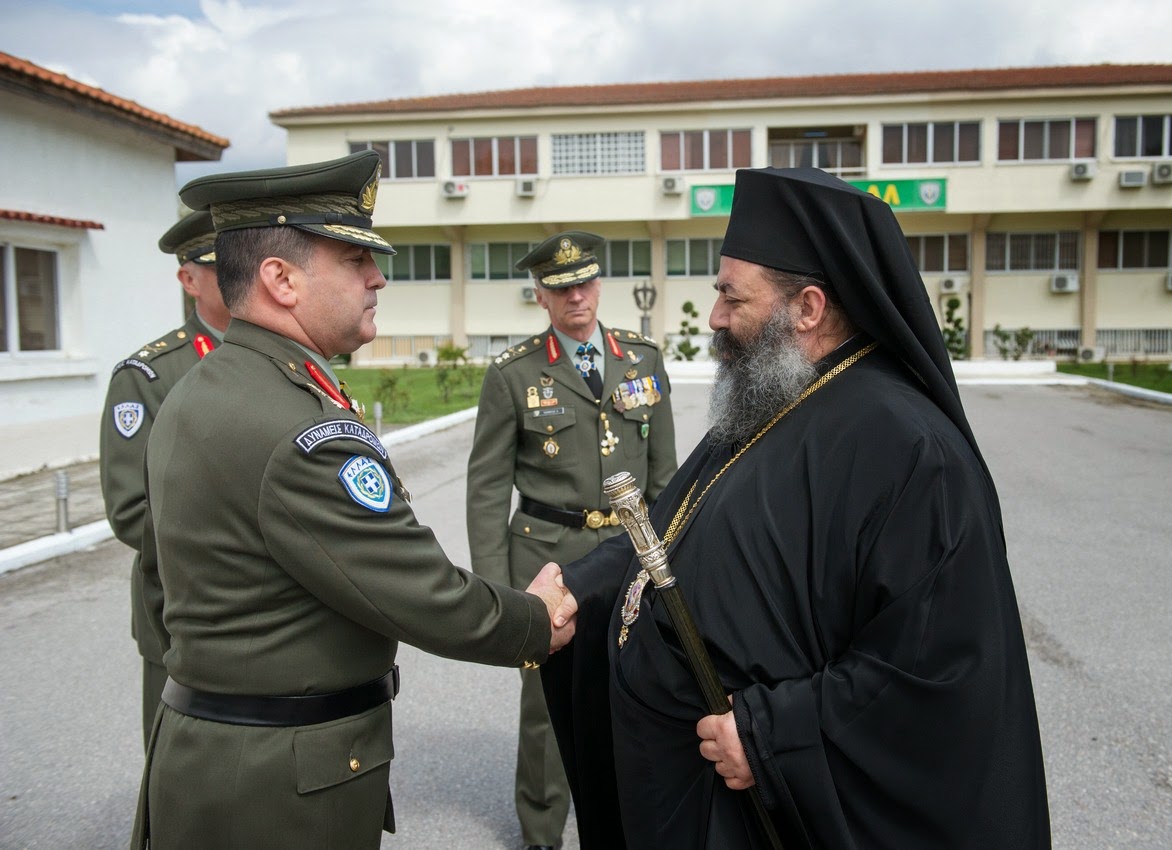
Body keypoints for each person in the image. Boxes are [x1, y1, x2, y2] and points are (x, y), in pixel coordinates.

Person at [543, 167, 1051, 848]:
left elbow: (937, 672)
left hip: (756, 812)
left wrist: (770, 731)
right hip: (681, 789)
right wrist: (583, 584)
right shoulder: (775, 396)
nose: (715, 317)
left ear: (807, 308)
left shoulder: (910, 450)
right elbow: (675, 520)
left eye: (731, 296)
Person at [129, 151, 574, 850]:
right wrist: (531, 622)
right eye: (351, 260)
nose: (377, 277)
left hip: (220, 756)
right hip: (280, 788)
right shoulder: (295, 424)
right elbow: (417, 588)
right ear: (280, 279)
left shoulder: (207, 388)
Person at [466, 230, 678, 850]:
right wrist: (499, 594)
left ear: (598, 285)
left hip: (631, 555)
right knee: (545, 708)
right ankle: (541, 833)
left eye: (584, 283)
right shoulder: (514, 373)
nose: (575, 297)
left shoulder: (643, 359)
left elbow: (665, 474)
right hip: (547, 556)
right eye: (560, 288)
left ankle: (624, 822)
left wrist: (673, 560)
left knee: (637, 690)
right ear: (541, 296)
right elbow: (486, 488)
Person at [99, 209, 231, 746]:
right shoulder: (152, 375)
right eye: (224, 267)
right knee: (182, 775)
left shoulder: (295, 358)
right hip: (181, 611)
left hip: (279, 624)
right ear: (188, 279)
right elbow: (133, 510)